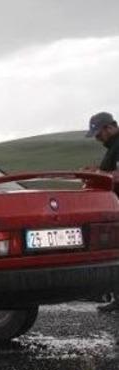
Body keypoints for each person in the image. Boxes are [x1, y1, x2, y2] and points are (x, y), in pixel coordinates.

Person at [86, 113, 119, 313]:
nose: (98, 140)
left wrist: (99, 175)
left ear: (109, 128)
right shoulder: (113, 147)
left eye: (99, 135)